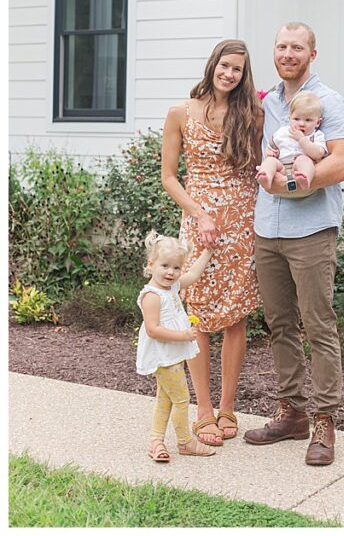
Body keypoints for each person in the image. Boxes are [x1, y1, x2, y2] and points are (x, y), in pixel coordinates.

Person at [242, 22, 344, 466]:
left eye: (297, 47)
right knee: (279, 324)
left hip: (309, 230)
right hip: (266, 231)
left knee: (318, 324)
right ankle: (292, 413)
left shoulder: (329, 102)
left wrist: (292, 186)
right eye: (281, 46)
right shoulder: (269, 101)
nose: (288, 53)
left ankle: (325, 420)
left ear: (312, 53)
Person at [161, 39, 263, 447]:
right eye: (225, 65)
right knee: (198, 314)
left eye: (237, 69)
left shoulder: (251, 115)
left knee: (236, 316)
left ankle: (227, 407)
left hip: (242, 224)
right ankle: (202, 409)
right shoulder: (180, 113)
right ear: (213, 65)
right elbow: (170, 176)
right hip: (199, 225)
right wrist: (200, 214)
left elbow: (263, 164)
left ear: (244, 75)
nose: (229, 74)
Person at [136, 231, 215, 462]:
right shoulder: (152, 296)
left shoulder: (171, 287)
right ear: (151, 265)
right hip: (163, 356)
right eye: (165, 266)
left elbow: (194, 275)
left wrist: (208, 252)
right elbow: (153, 329)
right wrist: (183, 335)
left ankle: (156, 441)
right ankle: (185, 442)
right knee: (182, 399)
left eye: (176, 268)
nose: (171, 272)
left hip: (171, 354)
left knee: (165, 398)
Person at [256, 90, 328, 192]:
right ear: (290, 118)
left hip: (298, 169)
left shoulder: (316, 135)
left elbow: (318, 154)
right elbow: (271, 145)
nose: (301, 123)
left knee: (304, 160)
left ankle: (305, 179)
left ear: (318, 122)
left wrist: (302, 140)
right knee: (270, 161)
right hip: (281, 168)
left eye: (308, 120)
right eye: (297, 119)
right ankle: (265, 177)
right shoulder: (282, 132)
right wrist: (270, 152)